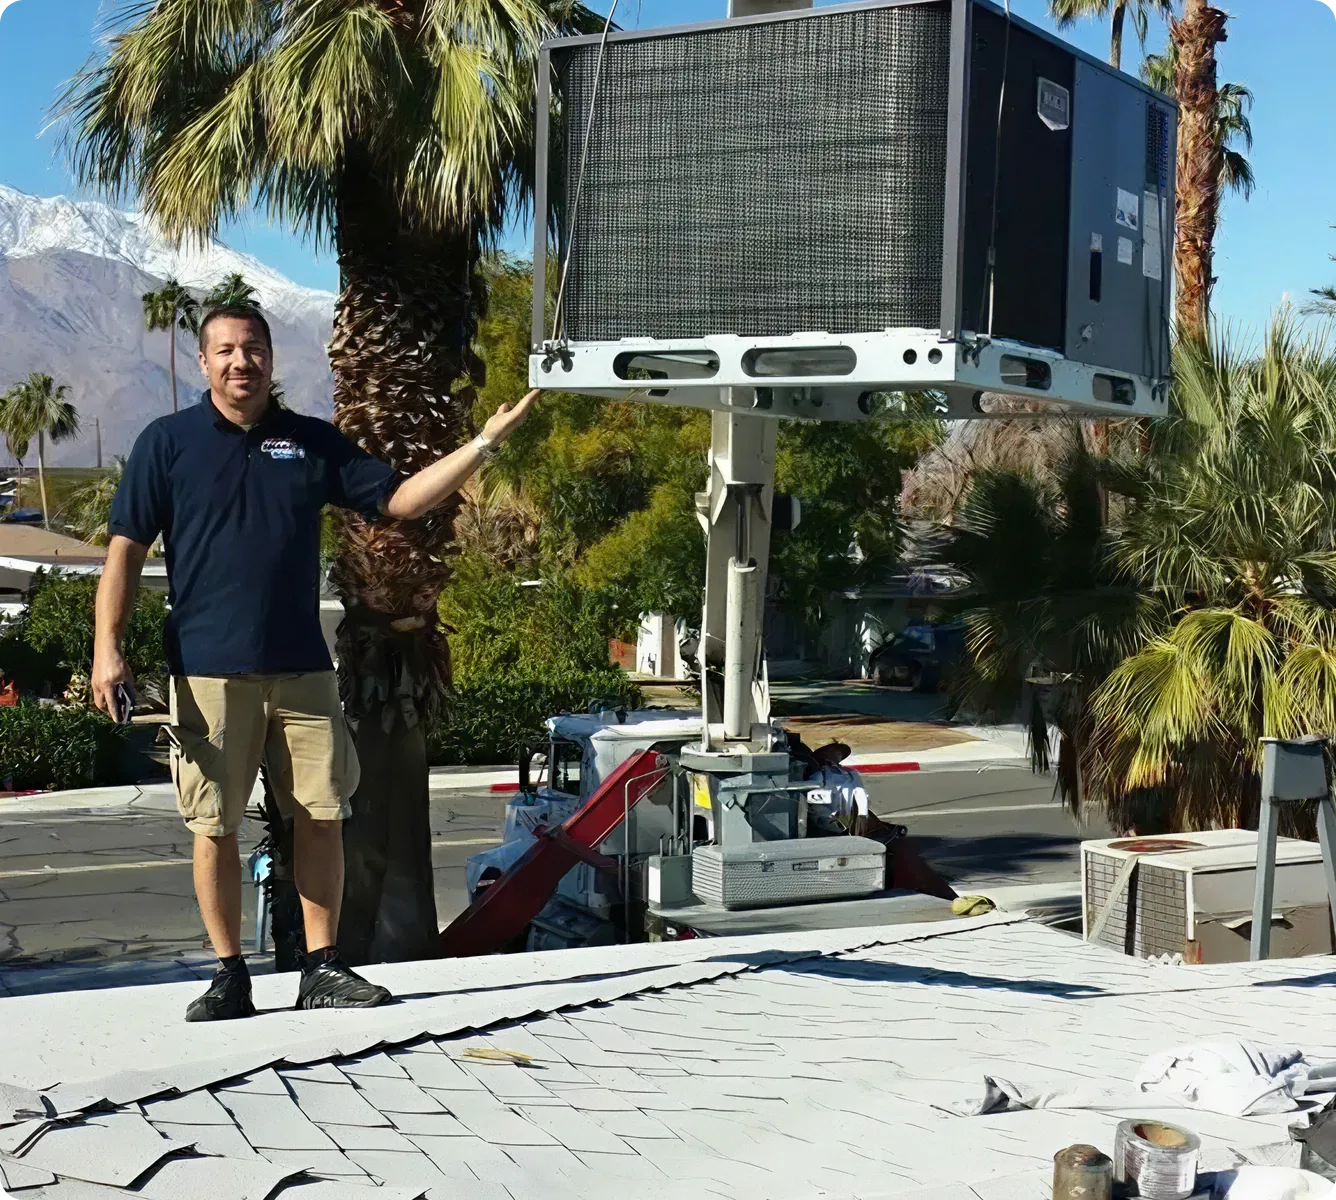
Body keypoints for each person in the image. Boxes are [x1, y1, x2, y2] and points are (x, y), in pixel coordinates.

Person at [92, 304, 538, 1021]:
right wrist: (105, 650)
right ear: (204, 362)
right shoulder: (166, 444)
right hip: (207, 671)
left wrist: (484, 441)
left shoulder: (308, 443)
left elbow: (398, 498)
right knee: (214, 825)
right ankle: (229, 974)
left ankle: (322, 968)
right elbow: (124, 553)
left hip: (303, 669)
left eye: (255, 349)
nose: (243, 363)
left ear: (272, 360)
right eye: (227, 351)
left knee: (322, 816)